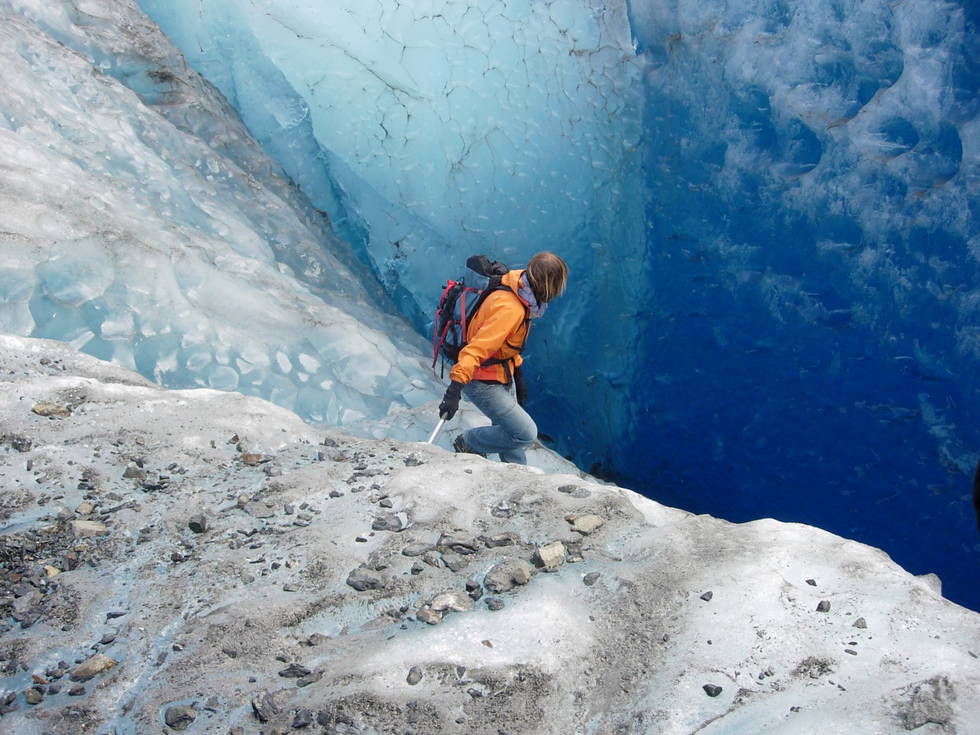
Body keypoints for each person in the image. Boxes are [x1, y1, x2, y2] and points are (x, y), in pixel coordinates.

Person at [437, 251, 569, 464]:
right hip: (482, 380)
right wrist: (454, 390)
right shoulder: (510, 308)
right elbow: (476, 349)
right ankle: (468, 442)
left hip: (501, 373)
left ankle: (518, 477)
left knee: (509, 434)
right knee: (524, 433)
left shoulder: (519, 287)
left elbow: (507, 345)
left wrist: (518, 375)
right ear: (548, 284)